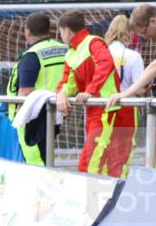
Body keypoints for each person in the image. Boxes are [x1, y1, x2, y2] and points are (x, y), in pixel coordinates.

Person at [55, 10, 135, 178]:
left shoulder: (93, 42)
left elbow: (106, 63)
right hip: (97, 110)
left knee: (94, 161)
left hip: (108, 110)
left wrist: (90, 90)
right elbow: (66, 81)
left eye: (60, 31)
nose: (60, 35)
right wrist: (61, 94)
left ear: (67, 31)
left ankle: (93, 201)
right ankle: (102, 199)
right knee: (100, 162)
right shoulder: (71, 53)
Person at [5, 12, 67, 165]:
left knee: (36, 162)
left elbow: (25, 91)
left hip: (32, 116)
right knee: (46, 158)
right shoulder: (64, 49)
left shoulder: (32, 55)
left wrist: (19, 115)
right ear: (49, 30)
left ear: (27, 31)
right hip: (54, 113)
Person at [108, 4, 156, 106]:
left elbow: (153, 67)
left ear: (153, 21)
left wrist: (124, 94)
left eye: (144, 32)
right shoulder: (133, 56)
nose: (146, 38)